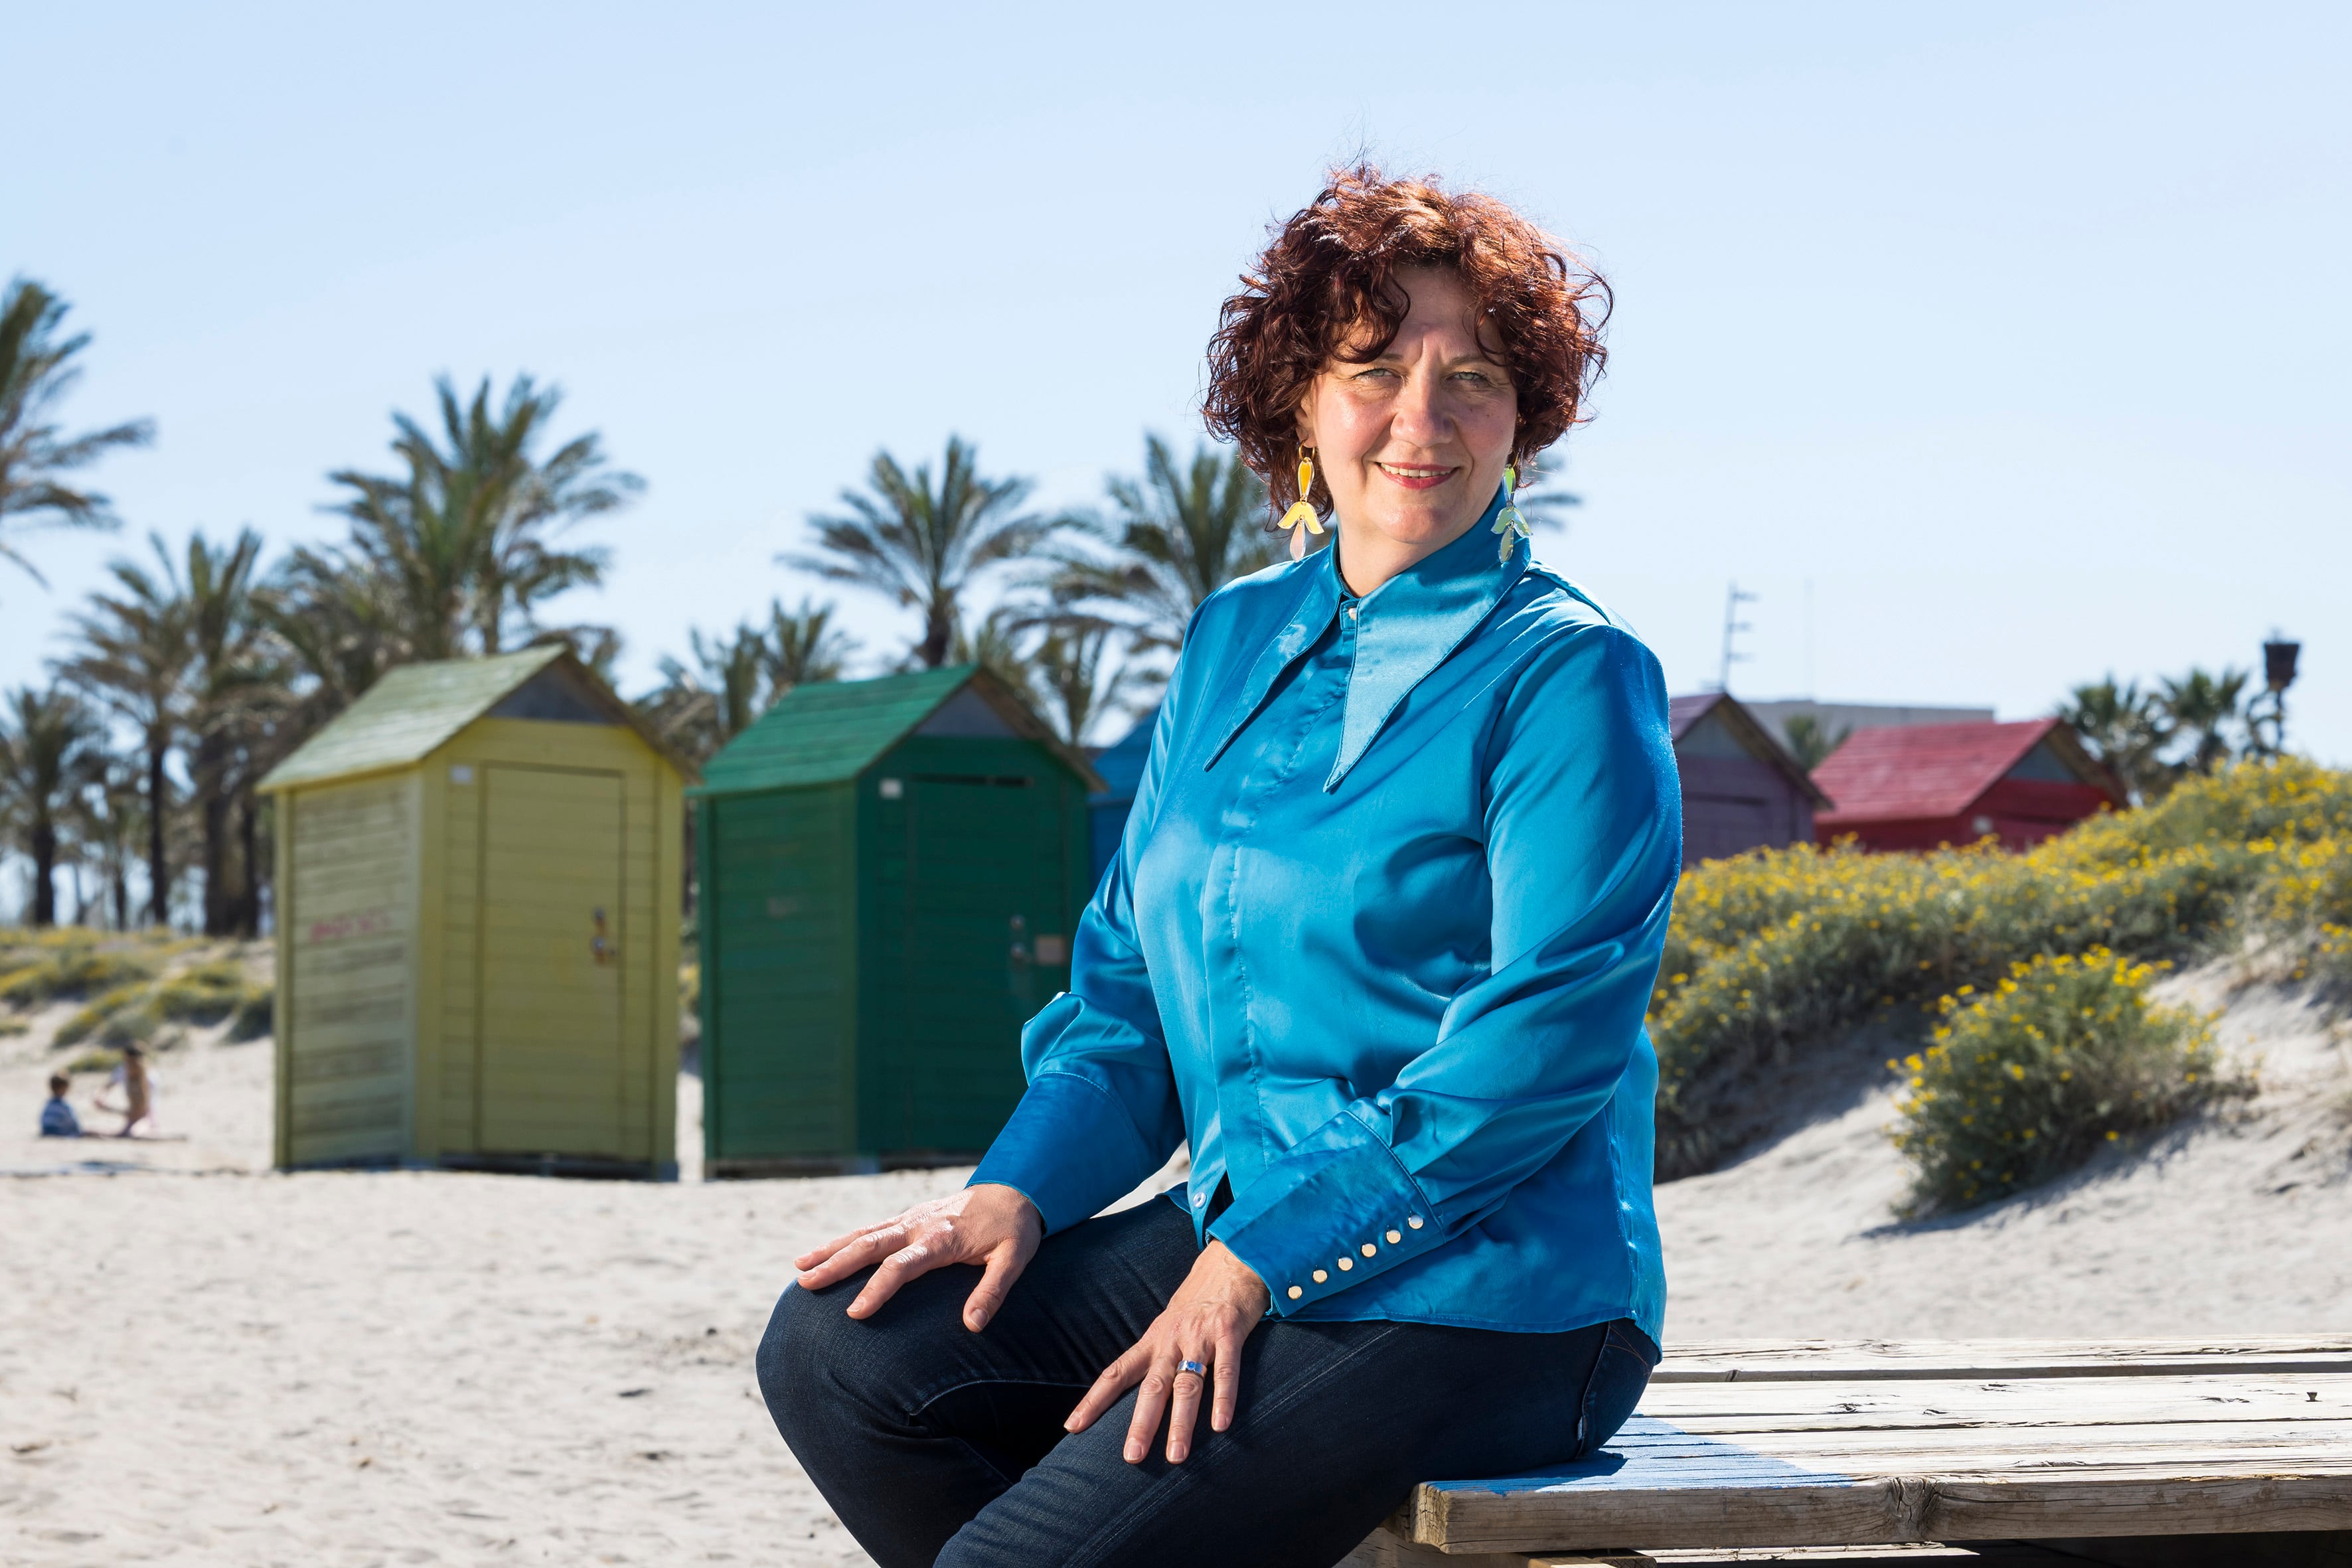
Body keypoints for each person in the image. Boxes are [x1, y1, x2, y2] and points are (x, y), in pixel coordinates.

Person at [758, 166, 1682, 1568]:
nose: (1421, 419)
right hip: (1243, 1221)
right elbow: (1126, 988)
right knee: (842, 1352)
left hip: (1499, 1293)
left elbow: (1534, 1056)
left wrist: (1260, 1263)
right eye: (1373, 368)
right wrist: (1015, 1188)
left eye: (1473, 376)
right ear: (1298, 406)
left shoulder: (1570, 676)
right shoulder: (1230, 644)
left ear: (1523, 415)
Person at [94, 1042, 153, 1137]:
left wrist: (110, 1109)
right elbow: (107, 1086)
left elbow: (140, 1110)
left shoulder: (147, 1080)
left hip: (144, 1120)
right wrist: (101, 1099)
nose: (126, 1066)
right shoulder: (129, 1078)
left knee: (134, 1133)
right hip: (132, 1120)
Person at [39, 1072, 81, 1137]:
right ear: (63, 1088)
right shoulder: (64, 1106)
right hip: (61, 1132)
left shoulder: (48, 1104)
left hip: (47, 1131)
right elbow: (74, 1124)